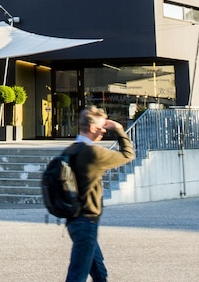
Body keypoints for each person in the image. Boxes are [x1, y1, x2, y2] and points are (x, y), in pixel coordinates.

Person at [64, 106, 135, 282]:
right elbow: (128, 154)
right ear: (92, 128)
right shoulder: (94, 153)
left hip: (73, 219)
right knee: (77, 275)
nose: (104, 131)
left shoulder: (70, 150)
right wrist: (119, 129)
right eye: (102, 128)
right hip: (87, 220)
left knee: (99, 273)